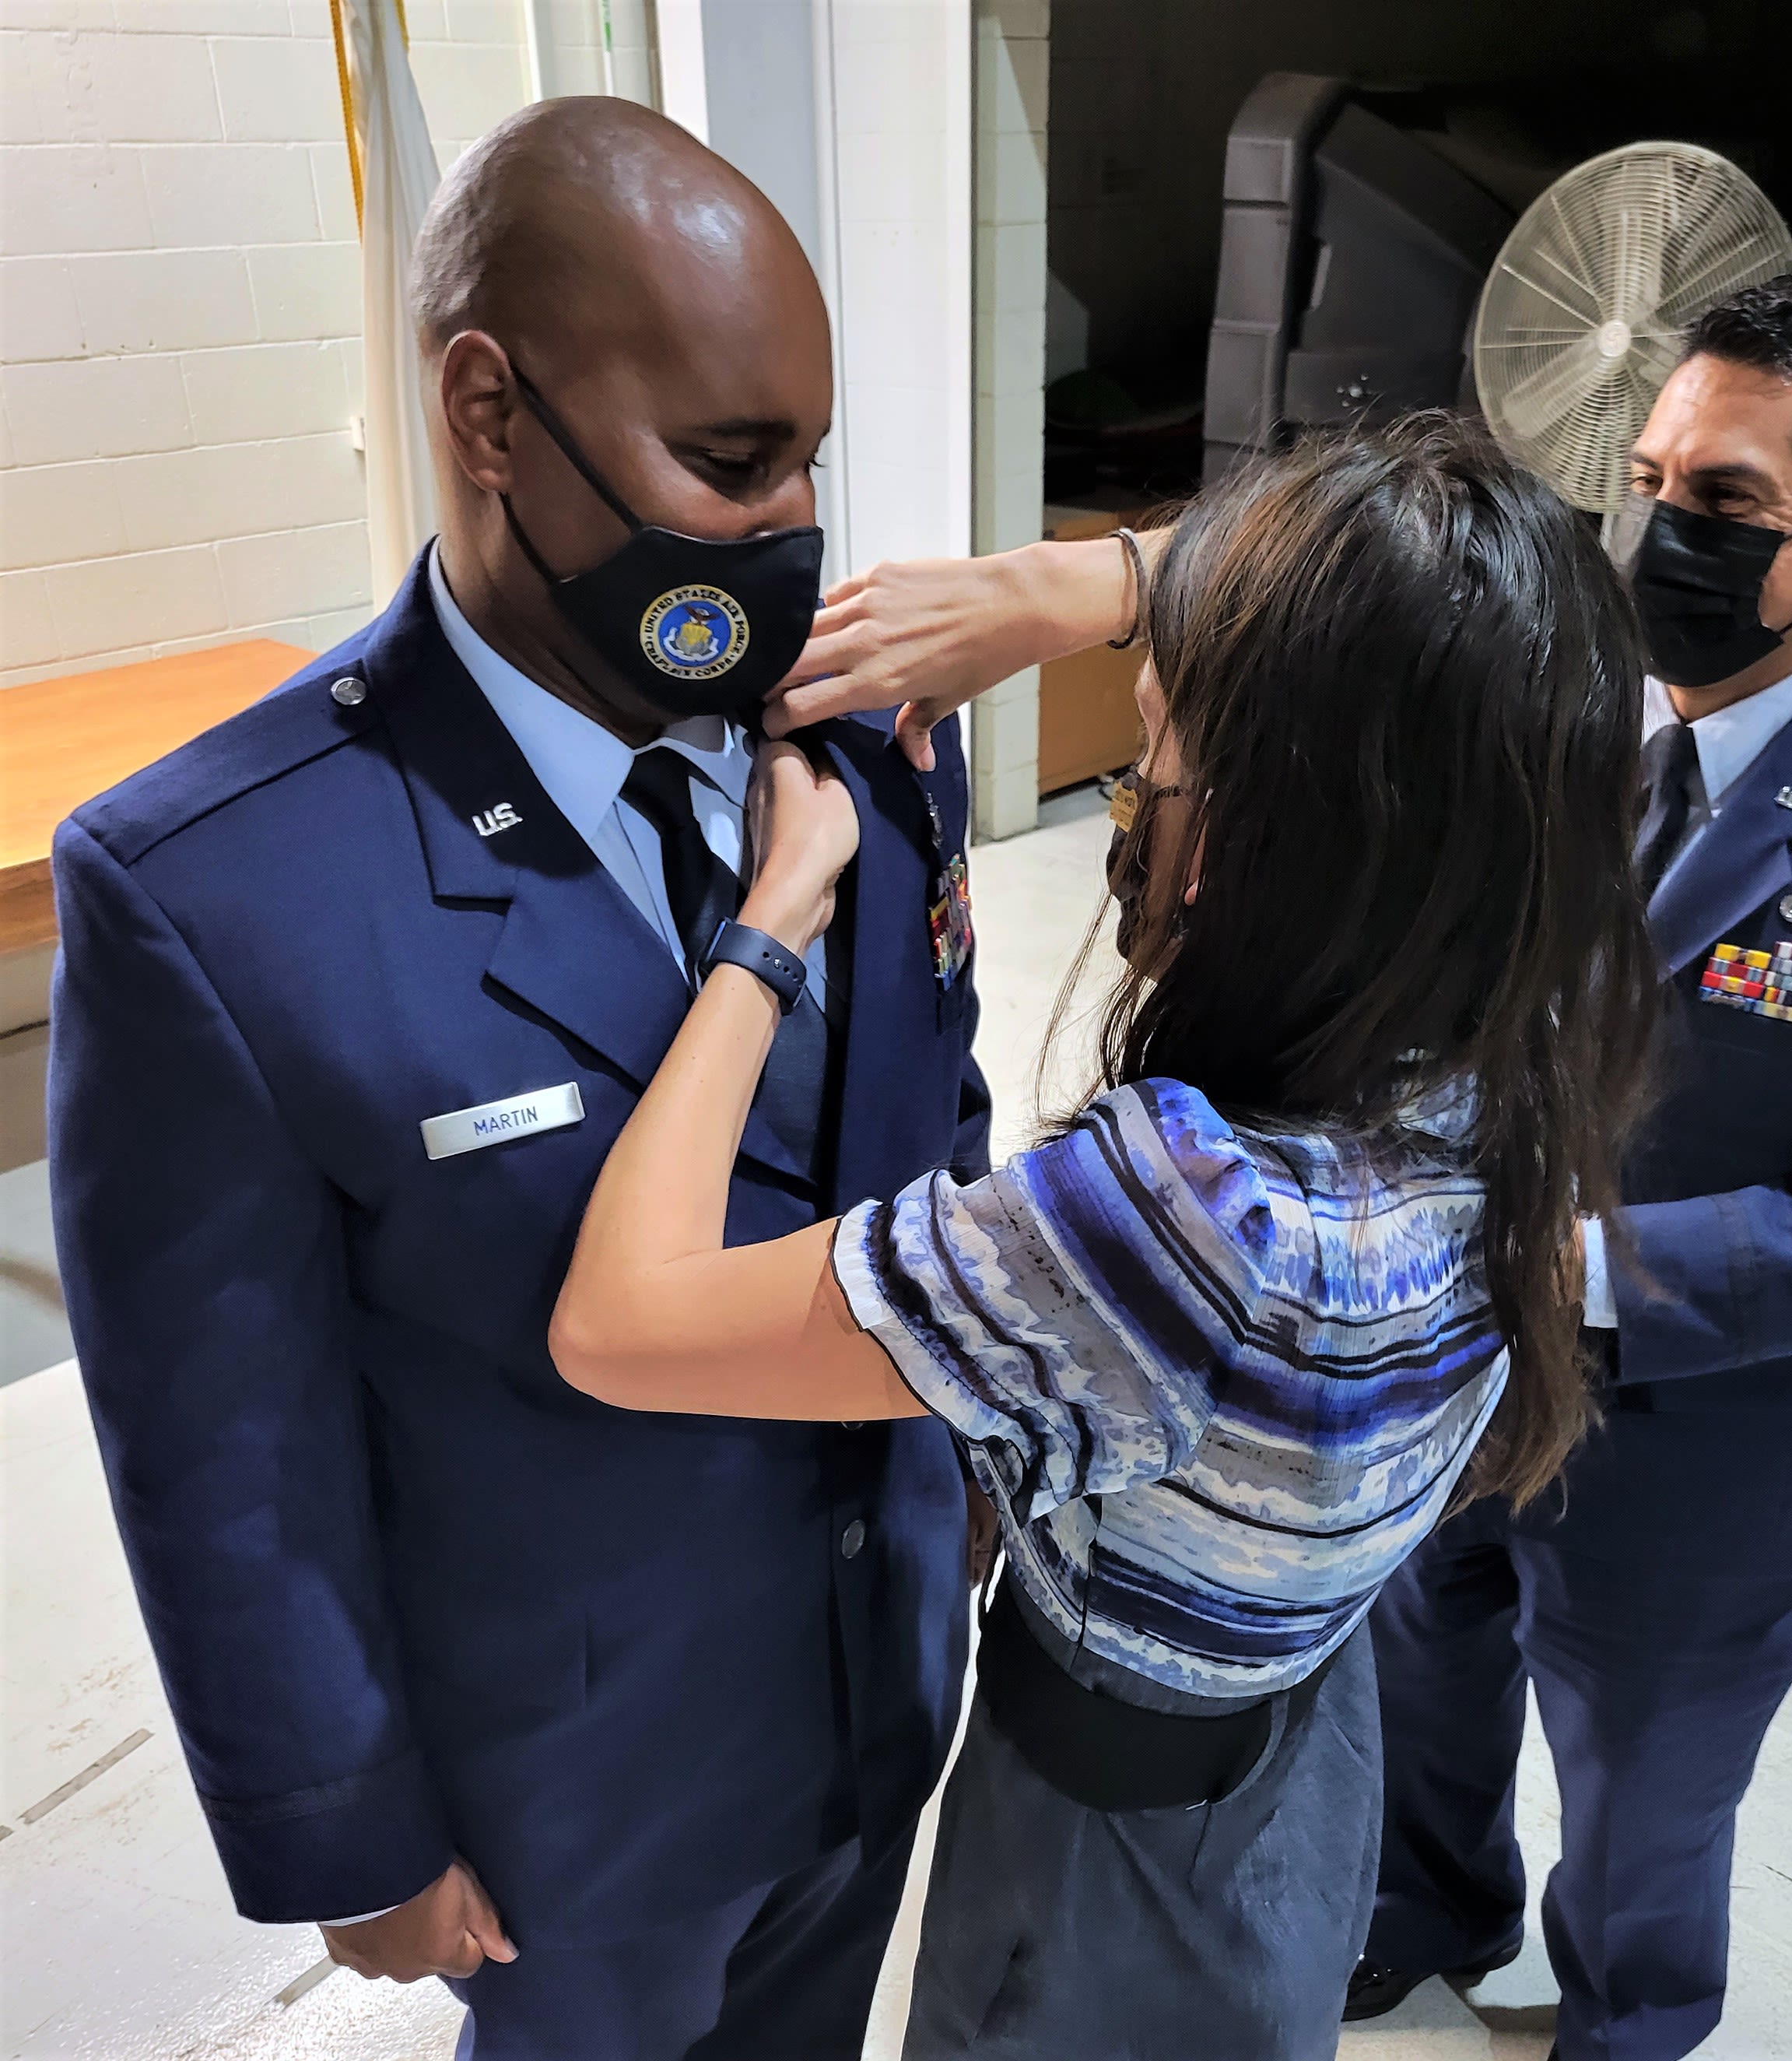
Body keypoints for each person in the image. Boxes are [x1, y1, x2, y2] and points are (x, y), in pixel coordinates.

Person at [48, 99, 987, 2061]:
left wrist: (966, 1471)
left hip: (877, 1676)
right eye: (730, 466)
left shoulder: (875, 758)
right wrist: (347, 1817)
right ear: (490, 415)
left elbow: (933, 1130)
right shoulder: (218, 892)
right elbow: (225, 1446)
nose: (789, 533)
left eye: (811, 461)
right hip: (571, 1787)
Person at [549, 414, 1660, 2058]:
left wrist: (772, 923)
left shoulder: (1192, 1218)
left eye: (1153, 757)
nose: (1133, 794)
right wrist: (1077, 586)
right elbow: (1498, 606)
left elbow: (620, 1320)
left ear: (1291, 835)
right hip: (1298, 1734)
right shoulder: (1509, 1029)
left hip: (1115, 1842)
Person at [1348, 268, 1792, 2061]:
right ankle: (1428, 1905)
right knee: (1426, 1653)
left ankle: (1629, 2026)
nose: (1665, 539)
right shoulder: (1584, 696)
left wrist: (1577, 1265)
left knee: (1646, 1786)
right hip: (1460, 1346)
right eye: (1648, 484)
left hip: (1700, 1428)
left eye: (1727, 505)